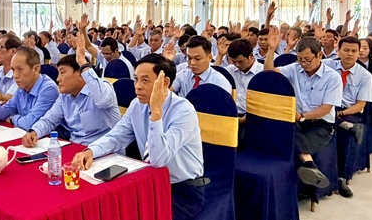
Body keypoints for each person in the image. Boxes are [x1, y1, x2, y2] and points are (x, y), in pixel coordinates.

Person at [72, 53, 204, 186]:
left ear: (164, 83)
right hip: (149, 179)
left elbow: (158, 160)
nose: (138, 86)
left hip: (183, 186)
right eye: (136, 79)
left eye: (145, 80)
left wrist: (156, 112)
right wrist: (91, 151)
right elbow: (116, 136)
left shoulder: (183, 111)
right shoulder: (137, 105)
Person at [264, 29, 343, 189]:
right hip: (297, 121)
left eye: (307, 59)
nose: (303, 63)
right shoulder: (295, 68)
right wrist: (271, 50)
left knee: (288, 144)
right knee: (279, 134)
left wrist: (302, 116)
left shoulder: (333, 77)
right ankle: (310, 165)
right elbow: (268, 74)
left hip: (320, 125)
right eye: (300, 59)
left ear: (319, 55)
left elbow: (326, 109)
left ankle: (292, 189)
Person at [21, 33, 121, 147]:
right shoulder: (65, 97)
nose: (58, 79)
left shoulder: (103, 88)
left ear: (80, 74)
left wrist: (82, 62)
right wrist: (34, 132)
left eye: (62, 73)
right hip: (76, 149)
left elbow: (102, 101)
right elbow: (49, 120)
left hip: (106, 151)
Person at [322, 37, 372, 197]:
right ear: (338, 51)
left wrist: (341, 113)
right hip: (326, 106)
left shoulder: (365, 75)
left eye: (353, 51)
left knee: (344, 134)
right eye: (346, 50)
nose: (349, 54)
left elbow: (360, 105)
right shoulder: (326, 65)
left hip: (348, 111)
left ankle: (341, 178)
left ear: (359, 53)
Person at [0, 46, 59, 129]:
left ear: (36, 69)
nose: (15, 75)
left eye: (20, 69)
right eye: (13, 70)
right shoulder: (21, 88)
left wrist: (12, 118)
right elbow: (4, 113)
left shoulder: (49, 89)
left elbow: (31, 123)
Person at [224, 38, 264, 143]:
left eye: (240, 61)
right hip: (232, 115)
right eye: (233, 62)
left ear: (251, 56)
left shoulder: (262, 72)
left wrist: (245, 118)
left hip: (253, 117)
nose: (237, 65)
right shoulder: (230, 70)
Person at [167, 36, 231, 97]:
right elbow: (165, 91)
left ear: (209, 57)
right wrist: (167, 61)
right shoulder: (183, 75)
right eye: (189, 58)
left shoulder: (219, 82)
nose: (192, 63)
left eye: (197, 59)